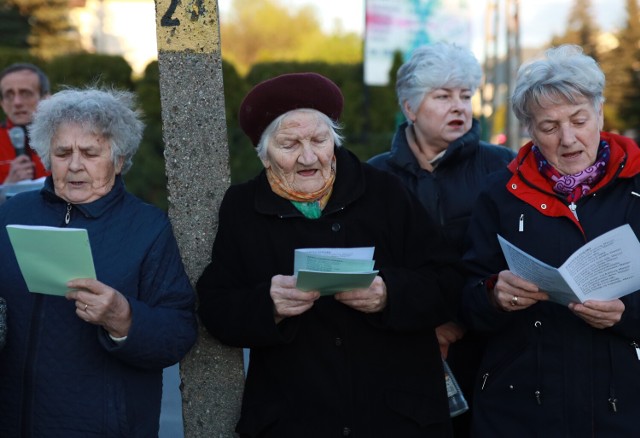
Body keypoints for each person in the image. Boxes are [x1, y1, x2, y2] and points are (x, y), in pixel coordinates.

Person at [196, 72, 464, 437]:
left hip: (395, 414)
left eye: (320, 140)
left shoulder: (384, 191)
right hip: (294, 417)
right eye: (289, 144)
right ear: (264, 152)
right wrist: (269, 305)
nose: (308, 157)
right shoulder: (243, 207)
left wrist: (389, 294)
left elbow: (448, 281)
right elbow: (215, 306)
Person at [460, 44, 640, 436]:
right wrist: (493, 295)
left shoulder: (636, 187)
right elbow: (466, 298)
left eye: (579, 119)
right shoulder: (501, 193)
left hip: (622, 407)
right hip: (521, 409)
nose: (568, 138)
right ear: (530, 128)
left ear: (600, 113)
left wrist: (627, 313)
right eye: (549, 127)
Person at [0, 87, 198, 437]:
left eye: (90, 153)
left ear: (119, 160)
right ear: (47, 157)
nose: (75, 165)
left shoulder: (147, 227)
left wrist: (125, 319)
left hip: (103, 425)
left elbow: (179, 330)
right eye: (62, 152)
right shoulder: (13, 213)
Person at [368, 41, 515, 436]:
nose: (459, 106)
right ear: (410, 107)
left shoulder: (503, 166)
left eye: (466, 95)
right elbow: (372, 264)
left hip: (490, 350)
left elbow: (513, 257)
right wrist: (423, 322)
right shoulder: (375, 178)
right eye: (443, 95)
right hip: (405, 349)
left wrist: (459, 320)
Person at [0, 63, 50, 184]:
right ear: (2, 103)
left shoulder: (63, 137)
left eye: (25, 93)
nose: (17, 102)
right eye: (9, 95)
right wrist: (8, 186)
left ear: (46, 98)